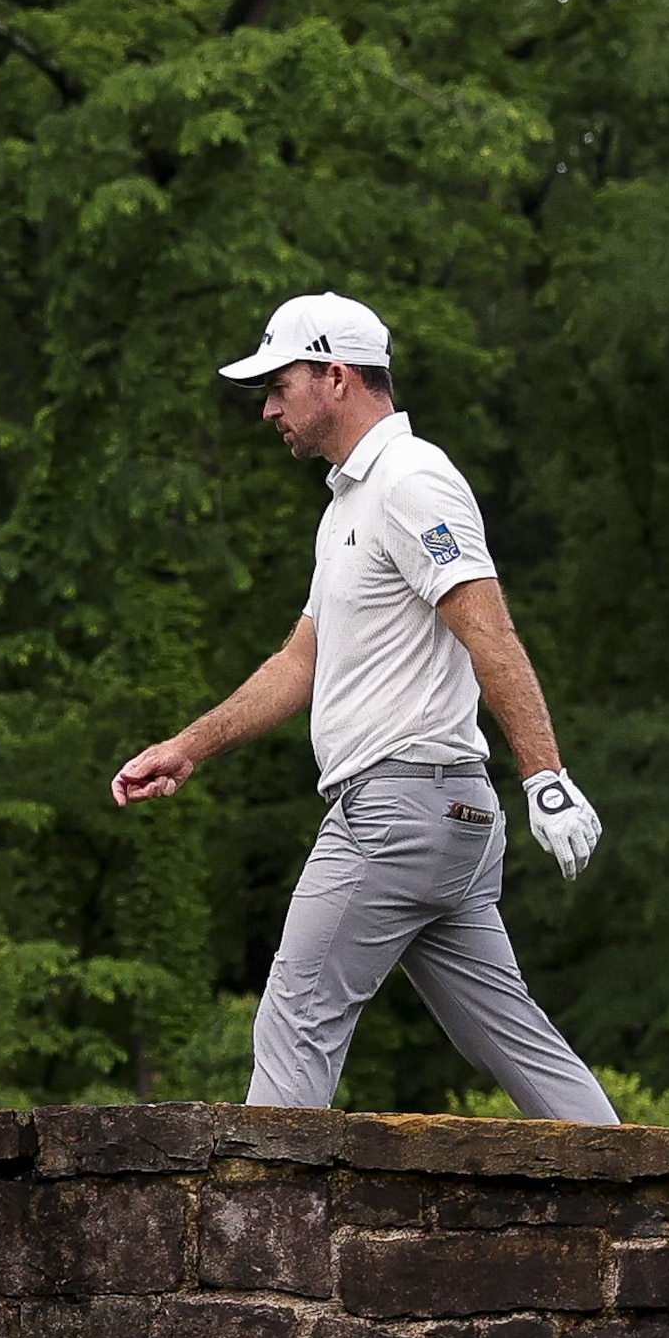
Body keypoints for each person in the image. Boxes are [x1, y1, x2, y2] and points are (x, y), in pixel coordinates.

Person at [109, 292, 618, 1123]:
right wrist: (189, 746)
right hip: (442, 821)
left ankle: (257, 1241)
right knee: (515, 1040)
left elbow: (491, 631)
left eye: (281, 384)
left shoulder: (412, 482)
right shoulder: (349, 503)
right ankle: (643, 1209)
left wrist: (547, 776)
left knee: (294, 1019)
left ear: (335, 377)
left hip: (394, 811)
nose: (269, 407)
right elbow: (298, 661)